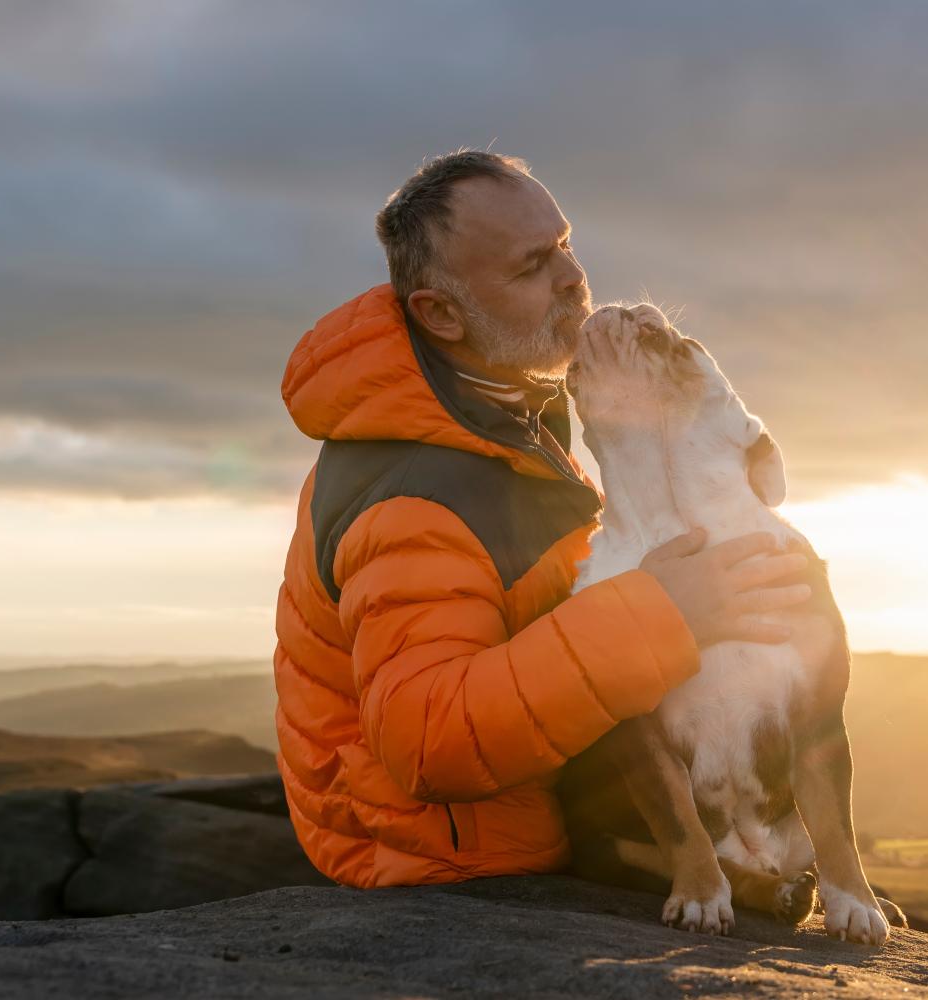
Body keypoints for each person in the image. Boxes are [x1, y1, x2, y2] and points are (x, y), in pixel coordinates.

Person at [273, 150, 812, 887]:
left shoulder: (502, 407)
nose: (572, 278)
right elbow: (427, 742)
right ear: (441, 314)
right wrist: (663, 614)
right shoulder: (414, 495)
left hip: (530, 779)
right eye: (532, 267)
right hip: (447, 850)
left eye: (564, 243)